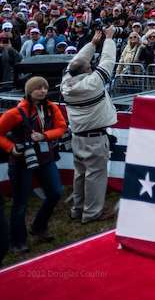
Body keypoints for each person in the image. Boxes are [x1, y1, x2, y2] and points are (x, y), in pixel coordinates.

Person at [0, 76, 68, 253]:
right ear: (29, 91)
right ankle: (17, 242)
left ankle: (38, 227)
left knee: (55, 192)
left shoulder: (52, 107)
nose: (43, 90)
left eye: (45, 87)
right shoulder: (15, 112)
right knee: (20, 203)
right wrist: (11, 148)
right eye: (38, 88)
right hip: (22, 162)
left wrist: (45, 136)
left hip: (45, 158)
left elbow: (62, 128)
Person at [60, 26, 119, 223]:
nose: (91, 66)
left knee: (81, 174)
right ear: (86, 71)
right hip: (94, 138)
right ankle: (92, 213)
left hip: (78, 136)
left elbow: (74, 62)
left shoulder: (66, 82)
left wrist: (93, 44)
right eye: (88, 66)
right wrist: (108, 39)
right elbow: (108, 61)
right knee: (95, 175)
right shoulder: (92, 83)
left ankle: (78, 209)